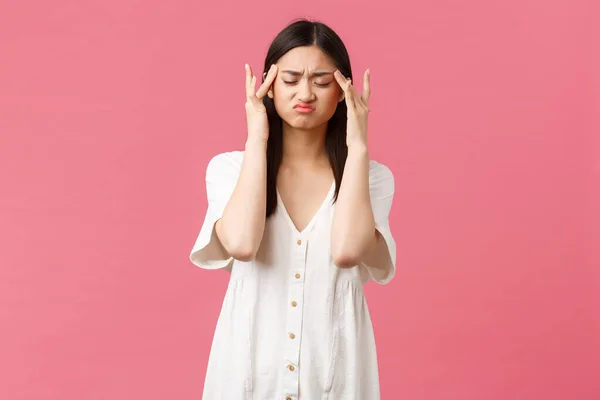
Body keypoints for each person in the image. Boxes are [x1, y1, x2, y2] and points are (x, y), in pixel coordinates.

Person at [189, 18, 396, 400]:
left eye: (321, 81)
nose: (306, 93)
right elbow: (241, 245)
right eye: (290, 80)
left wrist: (359, 147)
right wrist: (257, 138)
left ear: (343, 90)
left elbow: (348, 250)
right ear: (268, 86)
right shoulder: (229, 169)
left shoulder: (371, 178)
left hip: (334, 379)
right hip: (248, 376)